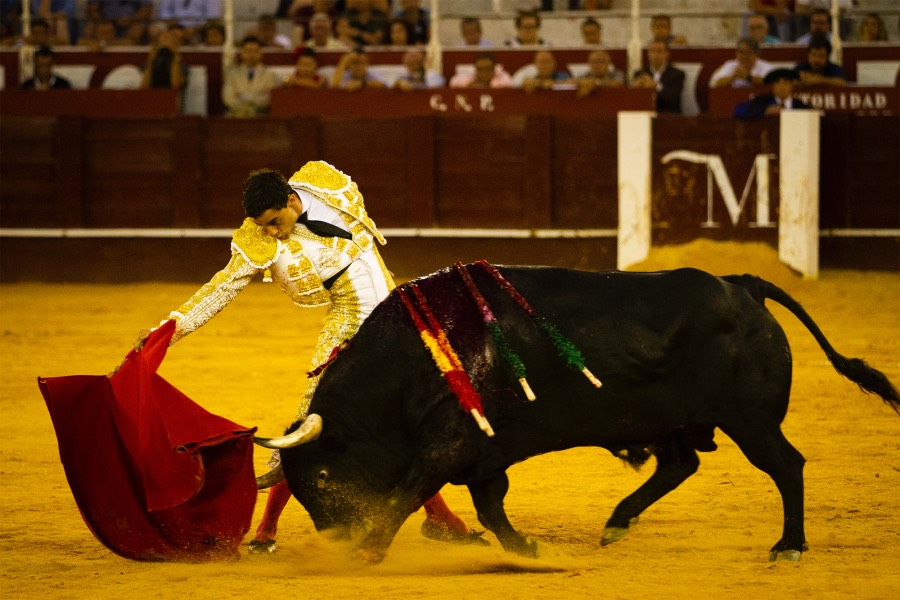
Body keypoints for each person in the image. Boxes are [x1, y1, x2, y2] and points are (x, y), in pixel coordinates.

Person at [127, 162, 483, 554]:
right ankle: (265, 531)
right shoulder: (259, 242)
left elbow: (364, 242)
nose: (273, 232)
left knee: (408, 418)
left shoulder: (323, 183)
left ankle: (441, 519)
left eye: (276, 222)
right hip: (351, 328)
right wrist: (168, 329)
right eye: (264, 226)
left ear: (294, 200)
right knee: (313, 426)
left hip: (398, 317)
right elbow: (219, 290)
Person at [222, 36, 280, 117]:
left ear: (261, 53)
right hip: (235, 116)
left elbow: (269, 98)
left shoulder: (270, 75)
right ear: (242, 53)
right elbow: (228, 98)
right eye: (248, 51)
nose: (251, 55)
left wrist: (244, 96)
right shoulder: (232, 75)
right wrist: (245, 107)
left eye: (255, 51)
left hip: (261, 117)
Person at [630, 40, 685, 114]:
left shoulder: (677, 74)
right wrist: (633, 89)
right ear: (648, 54)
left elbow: (674, 98)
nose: (655, 55)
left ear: (667, 54)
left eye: (659, 51)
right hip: (644, 115)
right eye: (652, 51)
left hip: (668, 117)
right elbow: (633, 100)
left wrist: (655, 86)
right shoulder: (639, 73)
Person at [733, 67, 810, 118]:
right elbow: (738, 110)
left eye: (785, 83)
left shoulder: (801, 106)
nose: (782, 87)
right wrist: (765, 111)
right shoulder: (762, 101)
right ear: (773, 86)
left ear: (792, 86)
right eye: (777, 83)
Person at [140, 28, 189, 102]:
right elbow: (144, 87)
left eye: (169, 37)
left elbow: (175, 86)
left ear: (175, 43)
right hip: (150, 98)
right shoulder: (148, 61)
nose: (166, 38)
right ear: (156, 43)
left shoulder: (181, 63)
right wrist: (151, 61)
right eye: (163, 37)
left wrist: (175, 58)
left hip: (172, 99)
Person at [156, 0, 221, 44]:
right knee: (156, 30)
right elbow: (164, 14)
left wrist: (195, 28)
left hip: (201, 27)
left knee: (213, 33)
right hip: (175, 26)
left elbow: (212, 17)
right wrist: (178, 28)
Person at [87, 0, 151, 38]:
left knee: (136, 31)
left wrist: (131, 20)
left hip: (133, 23)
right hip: (105, 22)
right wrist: (103, 22)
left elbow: (146, 10)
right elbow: (92, 10)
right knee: (102, 30)